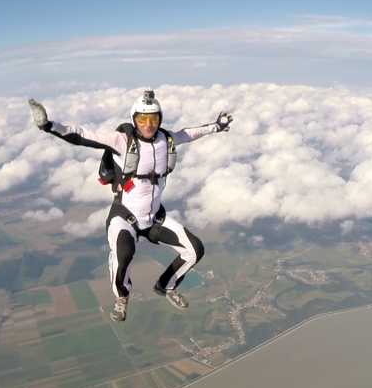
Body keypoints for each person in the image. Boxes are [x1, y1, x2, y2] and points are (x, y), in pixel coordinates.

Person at [28, 90, 233, 322]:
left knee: (195, 250)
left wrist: (216, 126)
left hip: (154, 218)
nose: (148, 125)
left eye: (153, 119)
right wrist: (48, 126)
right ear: (134, 120)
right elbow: (82, 135)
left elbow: (189, 133)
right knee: (124, 253)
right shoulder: (122, 141)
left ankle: (166, 286)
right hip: (125, 218)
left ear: (160, 119)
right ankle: (122, 296)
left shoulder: (166, 140)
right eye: (142, 119)